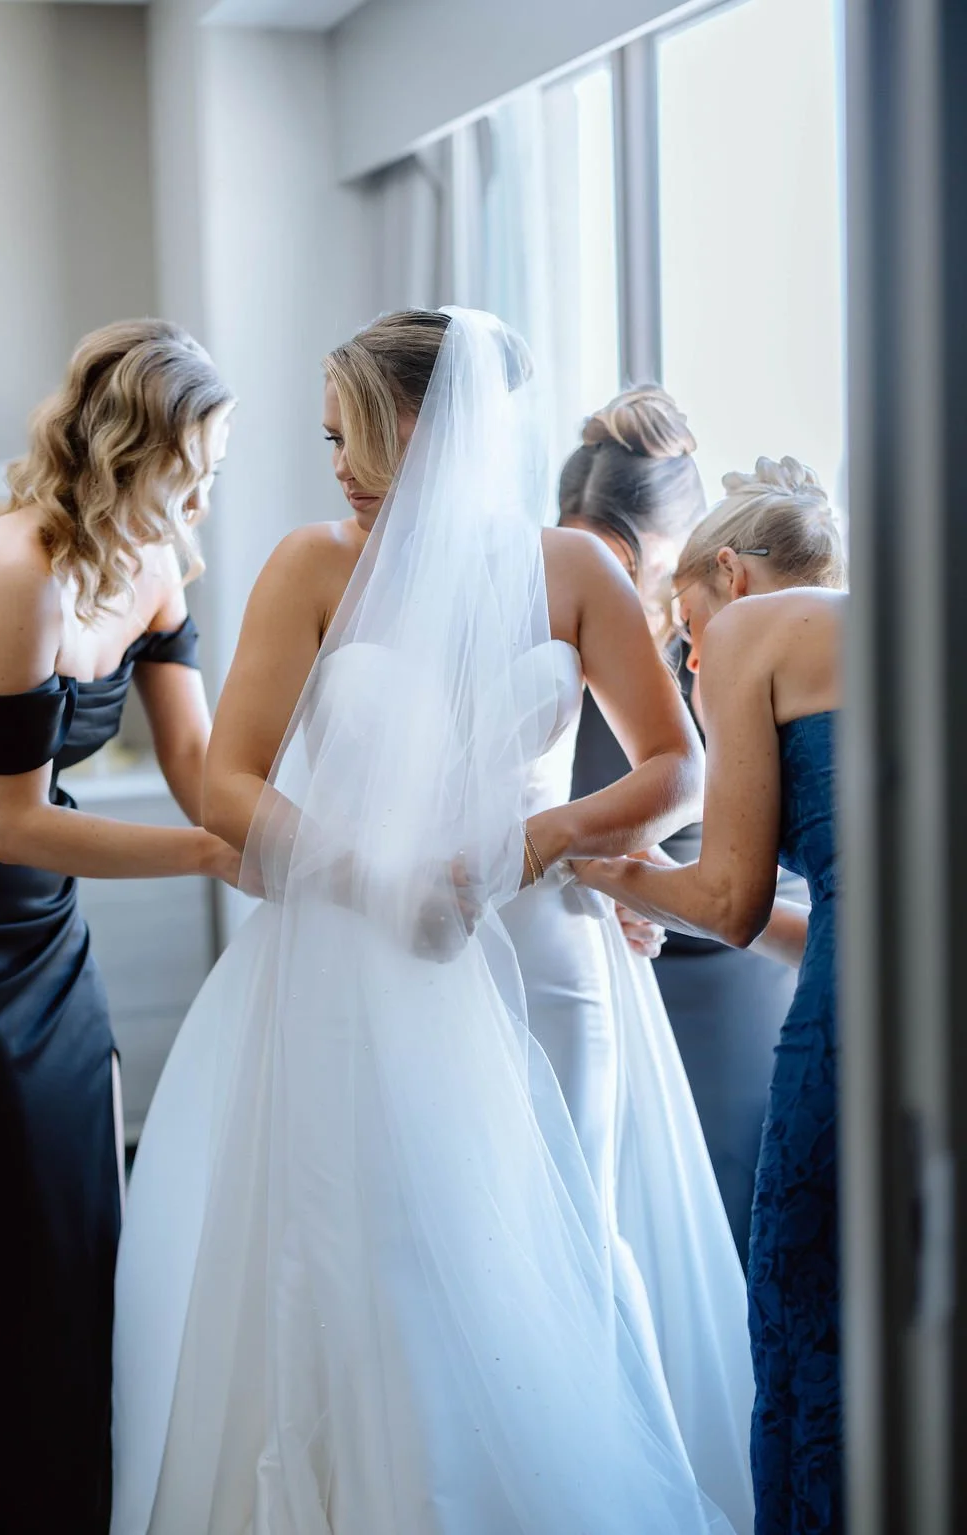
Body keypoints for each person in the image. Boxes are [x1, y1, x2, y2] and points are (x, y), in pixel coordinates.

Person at [111, 308, 755, 1535]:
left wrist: (531, 843)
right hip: (360, 960)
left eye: (353, 436)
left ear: (431, 427)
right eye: (326, 440)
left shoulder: (570, 569)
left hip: (542, 945)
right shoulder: (311, 565)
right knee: (383, 1262)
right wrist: (364, 875)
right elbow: (231, 779)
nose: (337, 468)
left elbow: (676, 766)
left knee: (562, 1243)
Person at [0, 319, 240, 1535]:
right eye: (198, 465)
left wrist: (299, 833)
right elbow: (13, 823)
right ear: (134, 450)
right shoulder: (12, 571)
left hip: (45, 941)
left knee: (80, 1223)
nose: (211, 491)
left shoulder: (159, 565)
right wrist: (223, 856)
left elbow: (200, 767)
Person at [574, 455, 845, 1534]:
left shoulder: (748, 632)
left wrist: (587, 861)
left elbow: (728, 900)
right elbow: (825, 921)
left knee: (802, 1305)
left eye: (680, 629)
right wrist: (653, 893)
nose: (686, 656)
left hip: (851, 1033)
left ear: (727, 573)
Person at [559, 388, 804, 1265]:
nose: (607, 589)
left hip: (725, 953)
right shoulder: (543, 622)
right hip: (598, 949)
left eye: (631, 564)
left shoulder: (722, 644)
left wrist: (648, 884)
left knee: (730, 1218)